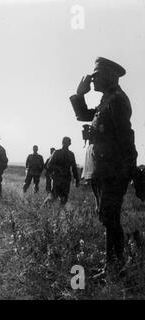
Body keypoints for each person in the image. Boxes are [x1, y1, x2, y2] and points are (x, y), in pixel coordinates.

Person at [70, 57, 138, 277]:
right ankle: (114, 265)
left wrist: (128, 170)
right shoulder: (107, 100)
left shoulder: (117, 101)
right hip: (102, 168)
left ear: (110, 76)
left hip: (112, 170)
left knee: (110, 218)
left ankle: (115, 268)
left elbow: (126, 138)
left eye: (96, 75)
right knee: (106, 217)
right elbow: (83, 115)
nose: (93, 79)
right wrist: (79, 94)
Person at [43, 137, 80, 206]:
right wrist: (58, 169)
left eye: (68, 142)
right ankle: (44, 209)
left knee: (64, 198)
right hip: (57, 178)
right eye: (65, 142)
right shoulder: (57, 152)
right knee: (53, 196)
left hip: (66, 179)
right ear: (63, 143)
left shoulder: (71, 154)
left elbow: (74, 168)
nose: (66, 144)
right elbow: (49, 165)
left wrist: (77, 179)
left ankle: (59, 213)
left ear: (69, 144)